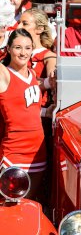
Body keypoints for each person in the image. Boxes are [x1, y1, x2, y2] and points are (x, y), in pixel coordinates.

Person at [0, 28, 47, 201]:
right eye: (18, 47)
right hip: (15, 151)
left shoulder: (33, 74)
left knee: (29, 204)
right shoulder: (4, 74)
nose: (23, 52)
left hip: (38, 152)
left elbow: (28, 108)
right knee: (8, 204)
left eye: (27, 48)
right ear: (9, 49)